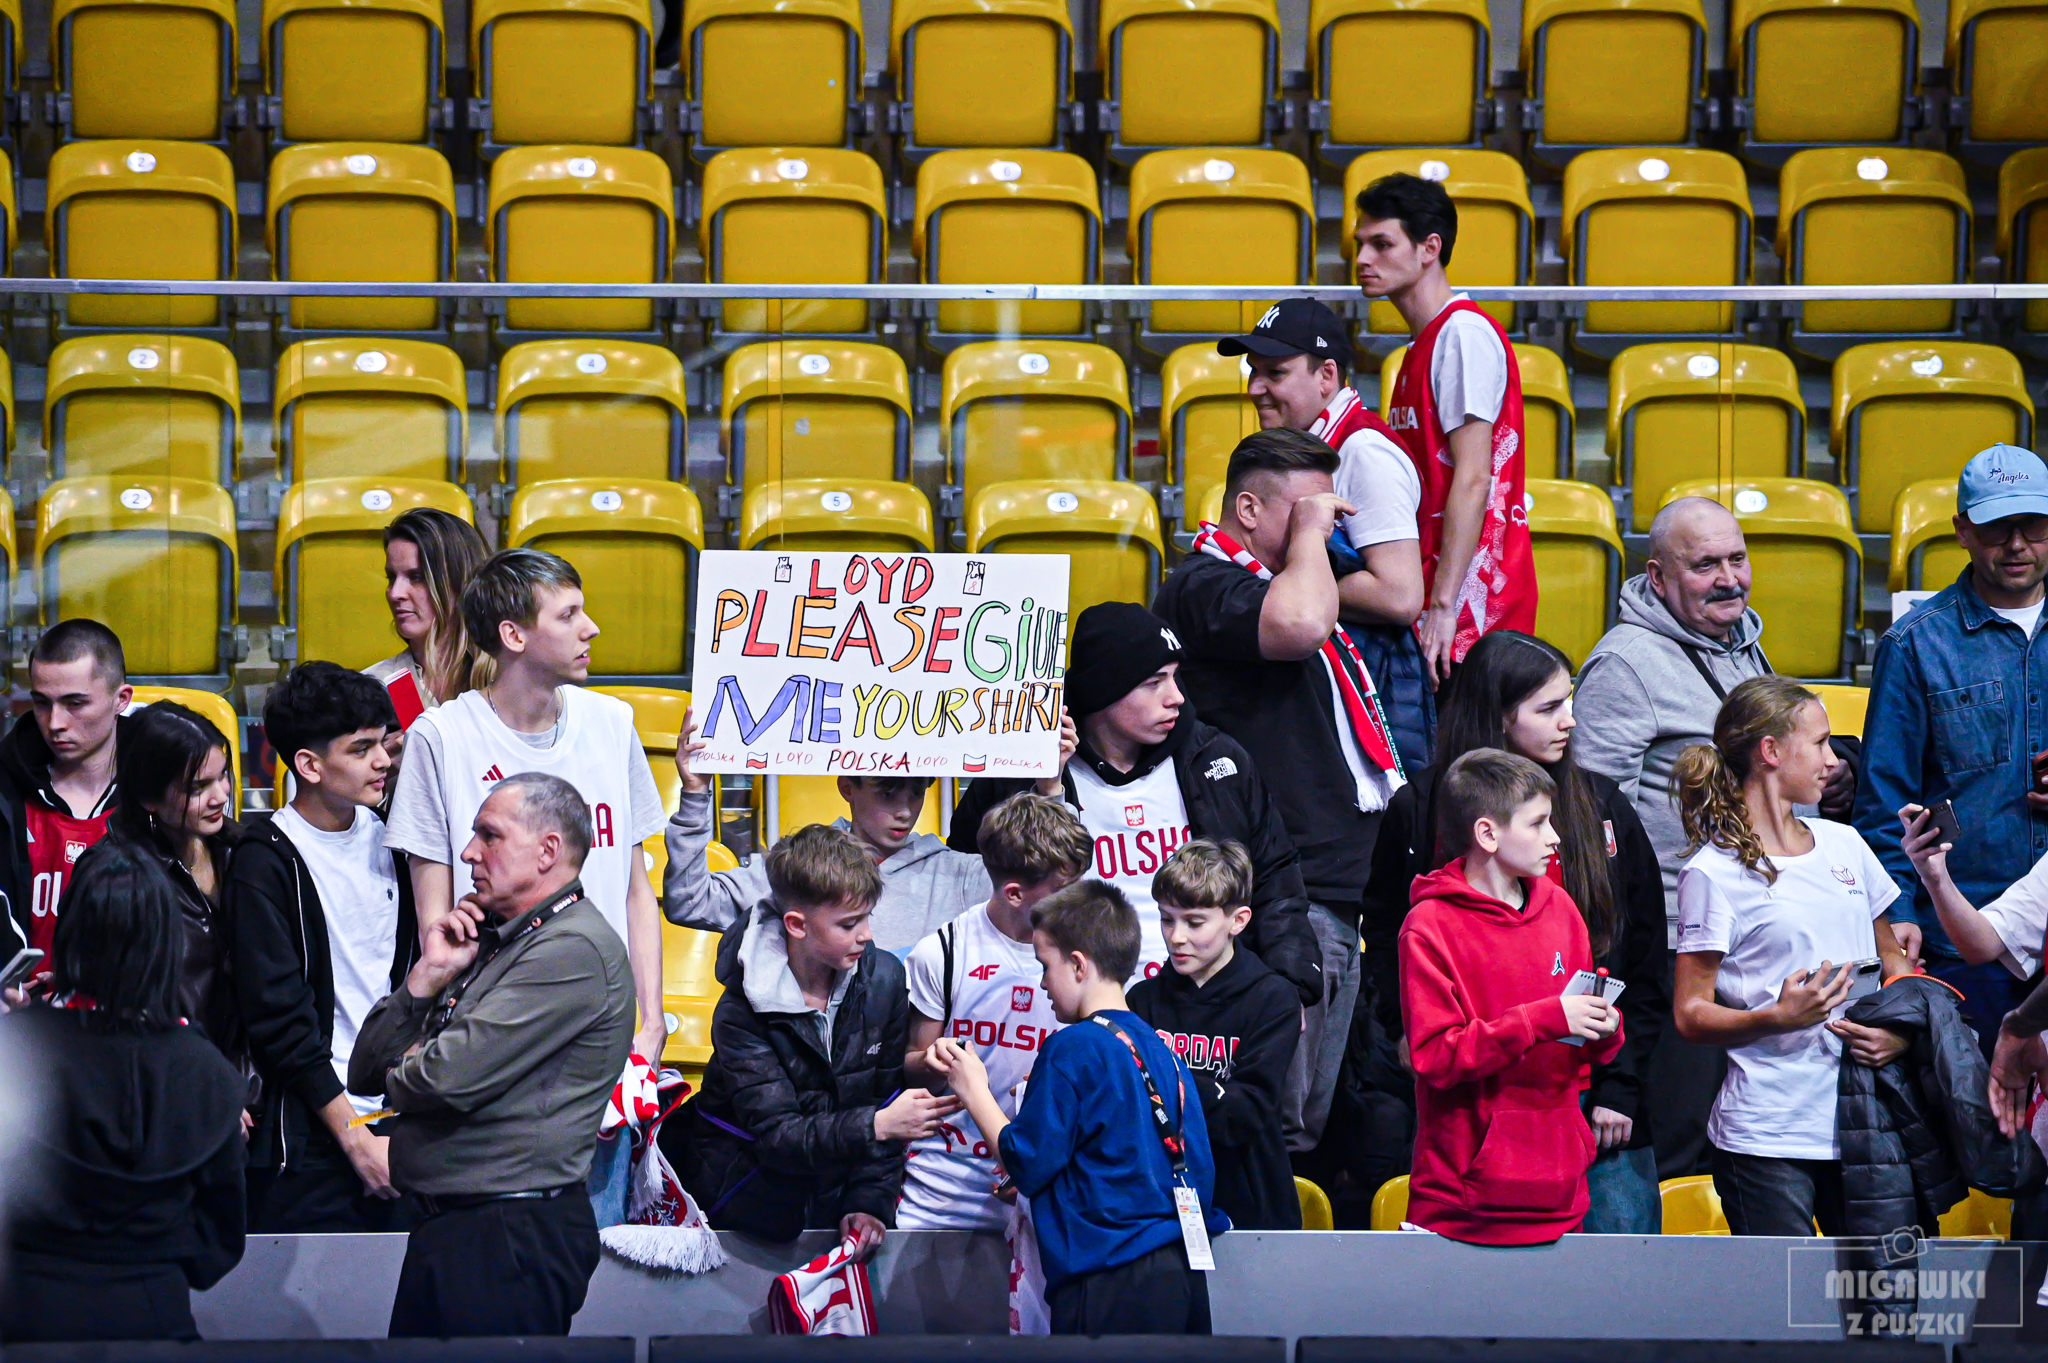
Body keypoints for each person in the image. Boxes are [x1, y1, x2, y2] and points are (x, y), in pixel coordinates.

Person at [1574, 495, 1857, 1180]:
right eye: (1705, 565)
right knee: (1681, 1147)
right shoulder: (1625, 664)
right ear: (1658, 576)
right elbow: (1591, 819)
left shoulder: (1742, 643)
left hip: (1754, 939)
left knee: (1745, 1151)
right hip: (1677, 945)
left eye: (1737, 558)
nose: (1729, 579)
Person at [1364, 630, 1668, 1232]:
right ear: (1498, 717)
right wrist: (1406, 1031)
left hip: (1588, 1100)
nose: (1570, 721)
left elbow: (1641, 958)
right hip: (1472, 1111)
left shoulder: (1599, 811)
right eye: (1549, 707)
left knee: (1615, 1279)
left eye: (1569, 702)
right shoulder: (1421, 810)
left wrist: (1619, 1083)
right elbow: (1385, 935)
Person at [1154, 426, 1404, 1153]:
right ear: (1249, 509)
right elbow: (1299, 624)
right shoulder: (1204, 584)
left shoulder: (1284, 582)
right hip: (1285, 895)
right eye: (1306, 512)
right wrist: (1312, 538)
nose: (1325, 529)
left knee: (1314, 1121)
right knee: (1278, 1125)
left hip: (1336, 893)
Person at [350, 773, 631, 1338]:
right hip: (460, 1230)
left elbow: (442, 1078)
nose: (468, 853)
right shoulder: (500, 940)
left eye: (490, 835)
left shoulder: (570, 949)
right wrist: (429, 976)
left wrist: (413, 1066)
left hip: (507, 1239)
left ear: (548, 851)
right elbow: (365, 1071)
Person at [948, 601, 1321, 1003]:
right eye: (1154, 682)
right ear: (1103, 690)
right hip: (1063, 1002)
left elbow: (1274, 878)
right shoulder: (1023, 770)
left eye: (1175, 677)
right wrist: (1041, 786)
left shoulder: (1215, 760)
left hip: (1202, 1004)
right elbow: (971, 877)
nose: (1176, 697)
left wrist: (1289, 986)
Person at [383, 547, 668, 1067]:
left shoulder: (613, 722)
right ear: (514, 636)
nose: (591, 629)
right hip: (494, 1033)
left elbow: (636, 891)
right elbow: (435, 920)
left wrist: (651, 1023)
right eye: (568, 615)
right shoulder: (440, 737)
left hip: (606, 1031)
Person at [932, 880, 1227, 1336]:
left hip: (1108, 1280)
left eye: (1045, 966)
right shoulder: (1163, 1050)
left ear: (1077, 964)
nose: (1042, 983)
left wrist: (974, 1090)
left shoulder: (1073, 1047)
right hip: (1182, 1277)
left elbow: (1027, 1163)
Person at [1673, 676, 1913, 1236]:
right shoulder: (1711, 873)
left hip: (1867, 1124)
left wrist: (1899, 1031)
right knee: (1785, 1294)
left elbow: (1894, 959)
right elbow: (1690, 1012)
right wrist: (1776, 1017)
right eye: (1822, 742)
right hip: (1767, 1138)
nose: (1834, 760)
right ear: (1771, 752)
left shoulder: (1845, 843)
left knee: (1878, 1288)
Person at [0, 839, 246, 1343]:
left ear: (71, 931)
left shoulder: (18, 1051)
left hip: (25, 1315)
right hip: (155, 1313)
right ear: (166, 942)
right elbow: (218, 1241)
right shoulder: (207, 1071)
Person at [673, 823, 957, 1248]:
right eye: (849, 923)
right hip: (747, 1211)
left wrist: (867, 1203)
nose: (866, 934)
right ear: (797, 925)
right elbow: (779, 1137)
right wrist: (877, 1125)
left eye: (867, 917)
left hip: (836, 1205)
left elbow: (885, 1101)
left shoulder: (885, 978)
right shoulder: (741, 1011)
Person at [1856, 444, 2048, 1055]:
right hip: (1963, 937)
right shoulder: (1915, 644)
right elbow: (1884, 800)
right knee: (1976, 1107)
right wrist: (1898, 912)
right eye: (1996, 528)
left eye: (2033, 527)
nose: (2016, 545)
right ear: (1962, 531)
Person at [1400, 749, 1623, 1245]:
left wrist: (1605, 1029)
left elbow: (1581, 1055)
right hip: (1463, 1206)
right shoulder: (1429, 925)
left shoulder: (1561, 908)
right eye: (1538, 823)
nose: (1555, 837)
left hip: (1561, 1196)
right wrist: (1543, 1019)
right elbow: (1435, 1056)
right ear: (1487, 834)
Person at [230, 663, 417, 1233]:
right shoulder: (263, 860)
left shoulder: (396, 839)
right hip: (314, 1137)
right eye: (361, 749)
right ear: (309, 766)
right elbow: (279, 1020)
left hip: (403, 1121)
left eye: (382, 743)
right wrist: (355, 1140)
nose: (383, 760)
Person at [1217, 299, 1430, 766]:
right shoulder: (1311, 446)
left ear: (1327, 376)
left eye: (1275, 373)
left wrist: (1280, 586)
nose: (1255, 388)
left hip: (1375, 684)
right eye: (1254, 372)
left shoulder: (1365, 452)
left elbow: (1399, 595)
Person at [1354, 171, 1536, 681]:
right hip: (1441, 597)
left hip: (1471, 610)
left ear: (1429, 248)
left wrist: (1442, 605)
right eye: (1360, 244)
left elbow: (1475, 477)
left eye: (1381, 244)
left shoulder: (1462, 334)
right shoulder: (1424, 344)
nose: (1362, 259)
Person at [898, 793, 1091, 1230]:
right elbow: (911, 1071)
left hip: (1046, 1190)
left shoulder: (1087, 958)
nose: (1078, 901)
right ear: (1014, 893)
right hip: (942, 1194)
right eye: (1064, 891)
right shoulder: (942, 953)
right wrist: (931, 1062)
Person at [1127, 840, 1302, 1231]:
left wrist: (1161, 1083)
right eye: (1166, 919)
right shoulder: (1142, 999)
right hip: (1161, 1203)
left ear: (1237, 921)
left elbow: (1244, 1115)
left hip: (1249, 1206)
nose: (1175, 936)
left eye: (1194, 922)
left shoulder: (1273, 999)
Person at [667, 763, 992, 955]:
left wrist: (1030, 782)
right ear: (847, 788)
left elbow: (1029, 897)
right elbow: (690, 902)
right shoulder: (799, 865)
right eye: (887, 793)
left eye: (917, 793)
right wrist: (695, 795)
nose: (905, 811)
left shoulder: (960, 874)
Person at [112, 702, 242, 1064]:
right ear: (149, 797)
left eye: (222, 776)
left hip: (248, 1077)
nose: (221, 796)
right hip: (171, 1078)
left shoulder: (241, 849)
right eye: (198, 787)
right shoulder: (117, 879)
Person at [0, 621, 131, 964]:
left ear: (121, 699)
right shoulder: (5, 790)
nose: (55, 723)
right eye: (42, 703)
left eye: (75, 703)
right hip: (20, 998)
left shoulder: (161, 789)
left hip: (129, 997)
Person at [366, 507, 491, 734]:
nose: (395, 593)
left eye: (417, 577)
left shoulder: (509, 680)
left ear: (460, 583)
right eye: (391, 577)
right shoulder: (374, 687)